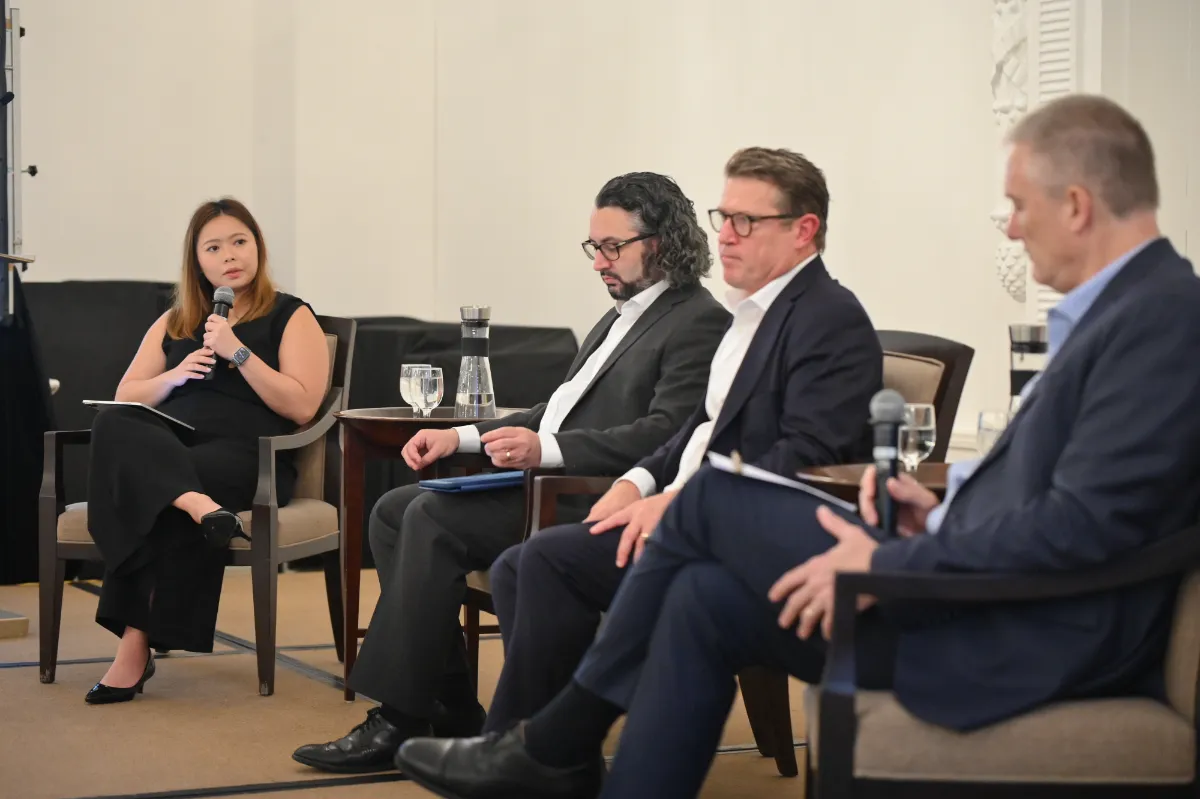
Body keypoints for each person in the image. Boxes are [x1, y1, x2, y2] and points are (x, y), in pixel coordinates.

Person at [396, 94, 1200, 799]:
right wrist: (934, 513)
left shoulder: (1159, 319)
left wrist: (890, 559)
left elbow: (1084, 527)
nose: (1013, 228)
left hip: (1026, 636)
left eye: (1018, 206)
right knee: (702, 598)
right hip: (975, 587)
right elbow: (1061, 498)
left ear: (1077, 205)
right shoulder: (1128, 311)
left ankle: (551, 745)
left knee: (710, 497)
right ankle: (556, 754)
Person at [292, 172, 730, 773]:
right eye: (593, 246)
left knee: (431, 516)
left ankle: (399, 717)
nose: (598, 262)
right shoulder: (619, 316)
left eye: (612, 247)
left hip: (592, 496)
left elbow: (665, 434)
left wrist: (545, 450)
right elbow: (557, 409)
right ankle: (449, 705)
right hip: (550, 485)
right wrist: (462, 436)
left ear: (660, 242)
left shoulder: (698, 321)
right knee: (393, 511)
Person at [480, 146, 882, 734]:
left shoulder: (827, 317)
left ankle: (532, 746)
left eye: (746, 221)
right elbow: (696, 427)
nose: (726, 235)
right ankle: (540, 749)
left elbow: (805, 456)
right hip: (685, 510)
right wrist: (634, 482)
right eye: (724, 217)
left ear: (803, 230)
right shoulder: (752, 314)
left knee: (544, 561)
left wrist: (679, 503)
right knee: (519, 566)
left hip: (734, 529)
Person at [84, 198, 330, 705]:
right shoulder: (177, 320)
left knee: (156, 492)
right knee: (114, 421)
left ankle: (133, 648)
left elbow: (304, 406)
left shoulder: (291, 314)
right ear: (197, 261)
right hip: (173, 444)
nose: (229, 256)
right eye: (213, 248)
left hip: (249, 456)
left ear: (258, 247)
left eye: (239, 242)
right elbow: (127, 392)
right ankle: (199, 505)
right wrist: (174, 376)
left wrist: (236, 350)